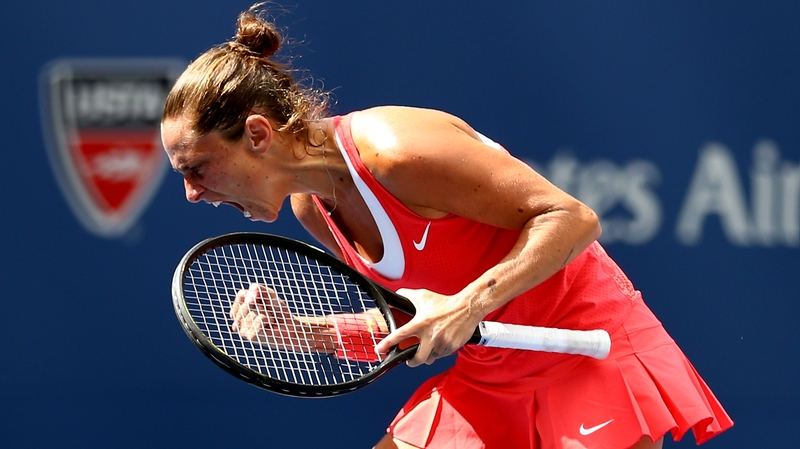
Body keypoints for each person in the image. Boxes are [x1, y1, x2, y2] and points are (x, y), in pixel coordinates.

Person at [161, 5, 733, 449]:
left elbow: (571, 218)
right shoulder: (314, 206)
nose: (192, 192)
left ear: (258, 135)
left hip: (589, 357)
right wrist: (305, 333)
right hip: (492, 378)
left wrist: (467, 306)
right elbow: (413, 321)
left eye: (197, 167)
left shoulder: (397, 153)